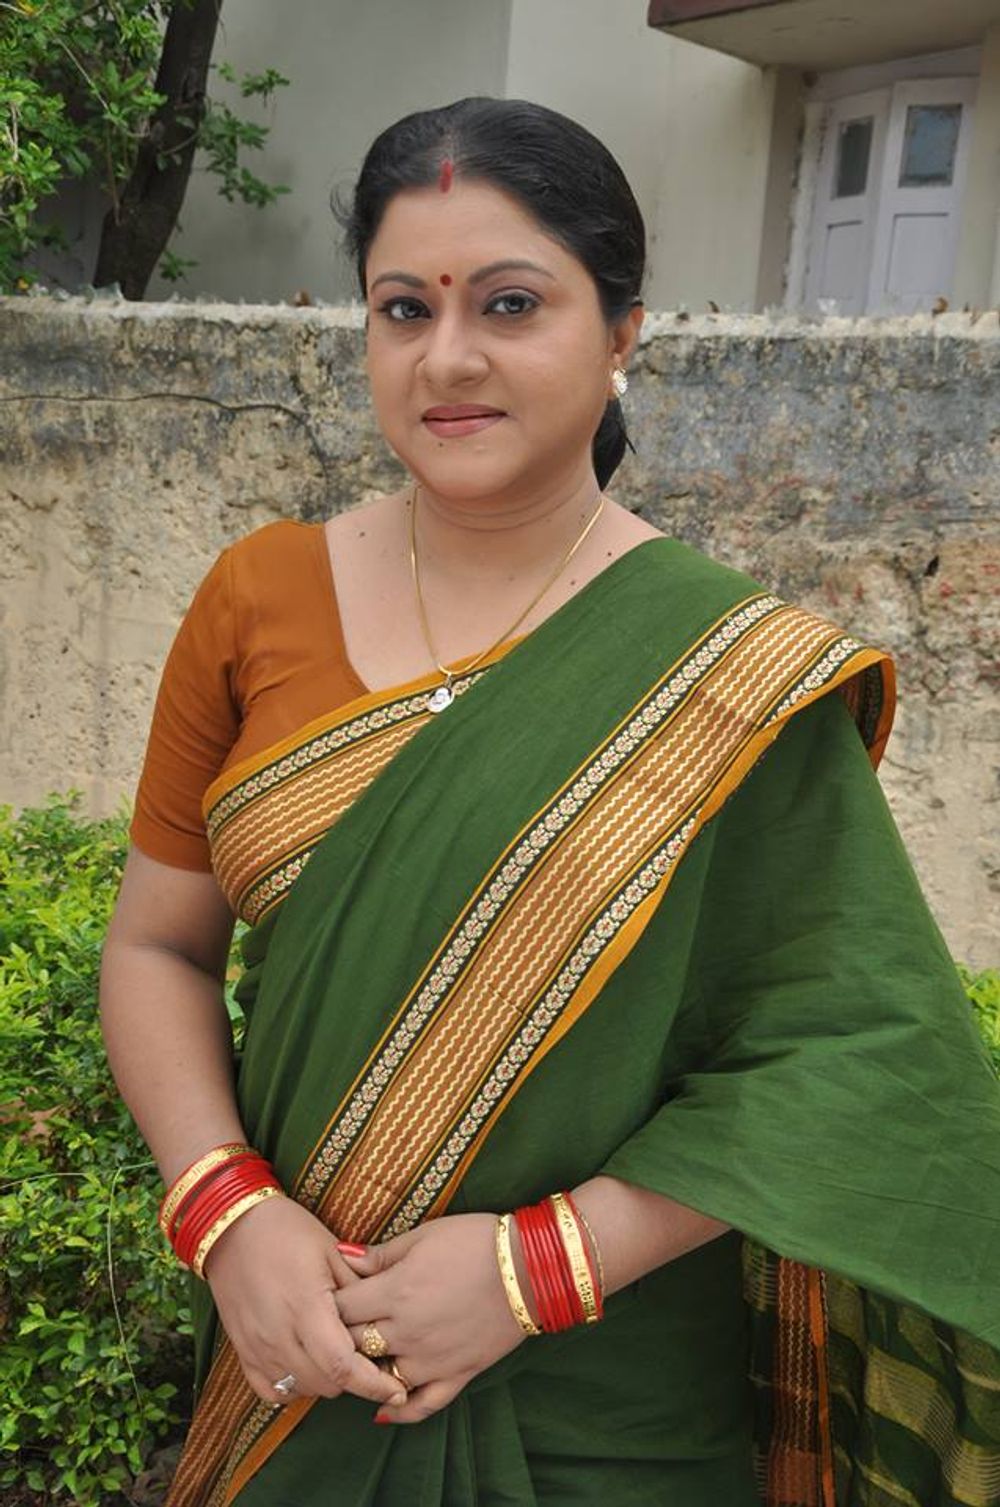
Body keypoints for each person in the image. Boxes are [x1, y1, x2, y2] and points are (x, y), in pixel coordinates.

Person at [100, 97, 1000, 1507]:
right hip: (294, 1373)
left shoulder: (722, 672)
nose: (448, 357)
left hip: (611, 1412)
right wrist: (224, 1209)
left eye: (511, 304)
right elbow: (158, 945)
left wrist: (544, 1266)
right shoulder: (255, 596)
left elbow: (856, 1058)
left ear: (623, 330)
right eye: (404, 309)